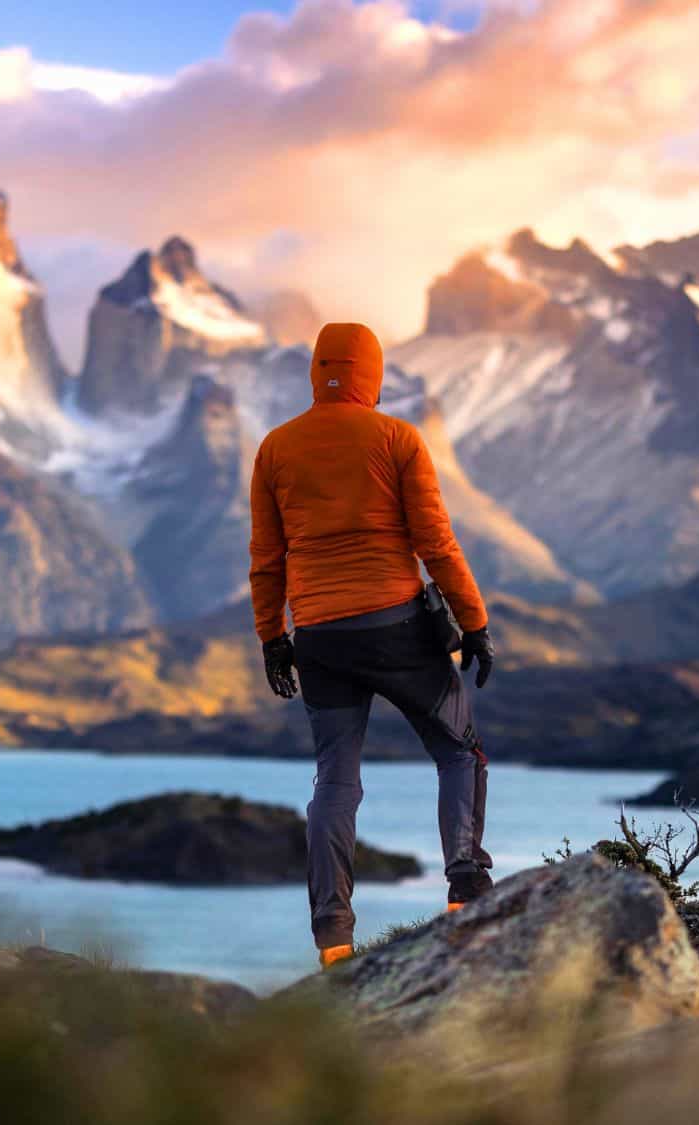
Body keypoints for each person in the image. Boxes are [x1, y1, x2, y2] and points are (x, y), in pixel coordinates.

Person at [248, 321, 497, 970]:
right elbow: (436, 543)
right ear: (372, 375)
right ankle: (466, 888)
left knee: (336, 780)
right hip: (396, 627)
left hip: (320, 637)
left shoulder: (275, 448)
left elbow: (266, 561)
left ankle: (333, 936)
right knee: (457, 749)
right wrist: (474, 622)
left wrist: (274, 638)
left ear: (317, 372)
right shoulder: (397, 439)